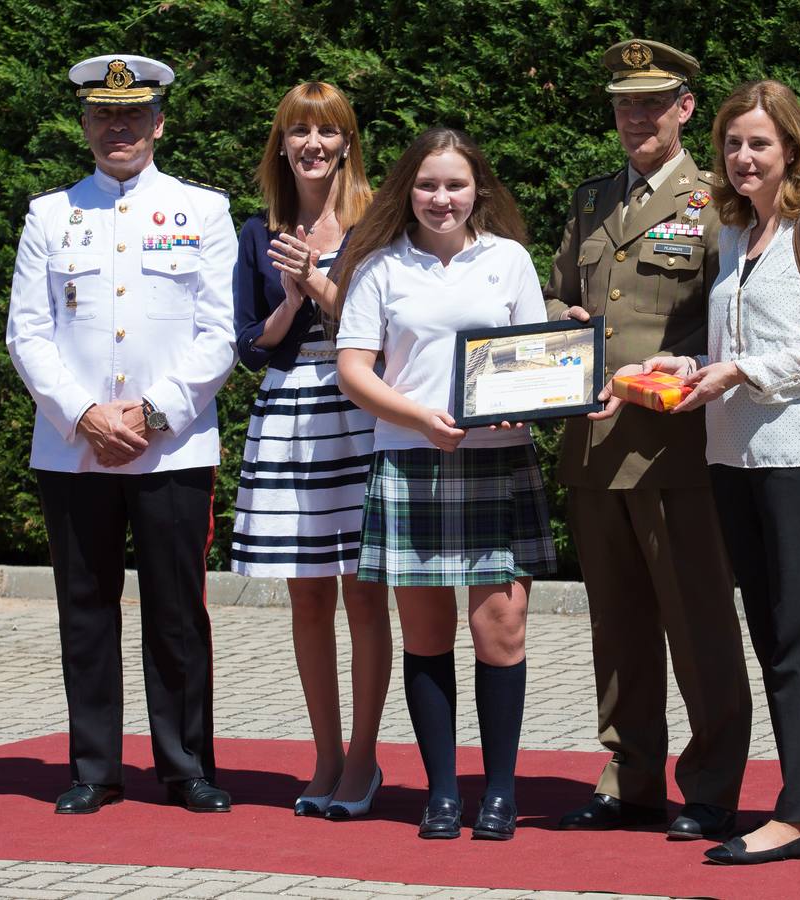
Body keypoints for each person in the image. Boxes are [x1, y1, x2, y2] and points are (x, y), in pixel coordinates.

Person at [613, 79, 800, 864]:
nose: (743, 156)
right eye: (732, 143)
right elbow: (728, 355)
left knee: (797, 636)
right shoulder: (732, 233)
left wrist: (739, 373)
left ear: (791, 146)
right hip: (732, 457)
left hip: (796, 457)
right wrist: (686, 366)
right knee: (770, 632)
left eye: (759, 142)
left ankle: (796, 815)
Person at [6, 55, 238, 814]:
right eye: (104, 116)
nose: (118, 129)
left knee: (177, 611)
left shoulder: (201, 210)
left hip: (171, 446)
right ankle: (94, 768)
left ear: (158, 123)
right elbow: (27, 334)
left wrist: (153, 413)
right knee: (85, 606)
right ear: (84, 124)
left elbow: (220, 333)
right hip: (74, 448)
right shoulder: (50, 214)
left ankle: (185, 766)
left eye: (132, 115)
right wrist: (84, 416)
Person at [544, 39, 753, 839]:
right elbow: (564, 296)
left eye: (652, 102)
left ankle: (708, 786)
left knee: (697, 626)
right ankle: (630, 778)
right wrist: (559, 324)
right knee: (619, 627)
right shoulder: (592, 200)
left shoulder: (717, 203)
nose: (635, 116)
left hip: (677, 451)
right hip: (594, 449)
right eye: (624, 103)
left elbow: (729, 322)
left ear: (684, 109)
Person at [334, 127, 557, 841]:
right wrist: (418, 417)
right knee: (426, 639)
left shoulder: (510, 261)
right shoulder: (377, 270)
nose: (441, 198)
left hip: (498, 460)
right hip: (410, 459)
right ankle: (439, 794)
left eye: (454, 184)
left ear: (478, 191)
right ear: (409, 191)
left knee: (500, 632)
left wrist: (516, 408)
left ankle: (496, 793)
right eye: (427, 185)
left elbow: (537, 359)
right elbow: (354, 370)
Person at [229, 82, 391, 820]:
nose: (313, 144)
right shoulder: (251, 231)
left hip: (359, 409)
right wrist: (291, 297)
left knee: (363, 592)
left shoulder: (379, 225)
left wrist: (320, 283)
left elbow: (390, 329)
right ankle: (323, 753)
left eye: (327, 131)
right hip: (289, 413)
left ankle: (364, 758)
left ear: (347, 143)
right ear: (281, 144)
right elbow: (250, 348)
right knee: (306, 594)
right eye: (299, 131)